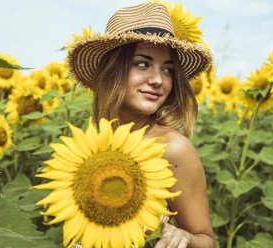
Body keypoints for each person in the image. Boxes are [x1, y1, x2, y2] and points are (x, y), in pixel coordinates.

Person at [67, 2, 215, 248]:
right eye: (143, 64)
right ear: (112, 70)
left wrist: (184, 238)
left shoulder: (173, 148)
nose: (158, 80)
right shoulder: (93, 144)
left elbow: (205, 240)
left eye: (167, 70)